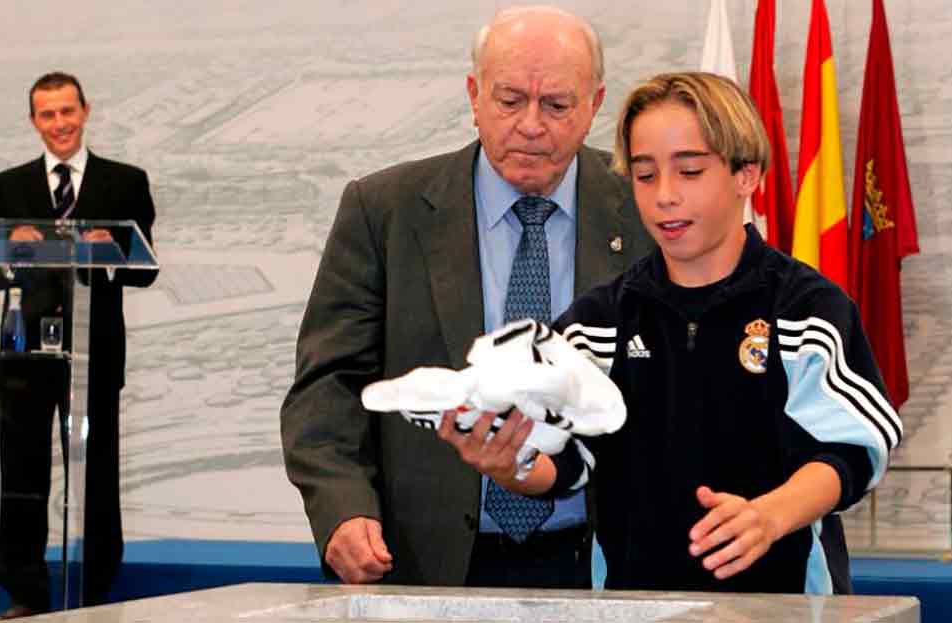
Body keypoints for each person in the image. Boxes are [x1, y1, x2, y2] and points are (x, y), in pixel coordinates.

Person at [439, 72, 901, 594]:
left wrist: (769, 516)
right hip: (633, 606)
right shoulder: (598, 322)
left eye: (690, 172)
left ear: (746, 175)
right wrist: (508, 463)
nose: (664, 196)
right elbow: (565, 463)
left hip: (786, 605)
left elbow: (853, 450)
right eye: (644, 175)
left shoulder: (806, 308)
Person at [280, 6, 652, 588]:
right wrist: (342, 508)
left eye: (556, 105)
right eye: (510, 100)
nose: (531, 124)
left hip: (604, 562)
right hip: (427, 560)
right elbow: (329, 386)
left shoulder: (646, 210)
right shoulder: (385, 210)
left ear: (594, 104)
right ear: (474, 96)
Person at [0, 71, 157, 618]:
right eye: (47, 114)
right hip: (24, 357)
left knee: (97, 475)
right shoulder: (9, 185)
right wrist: (8, 247)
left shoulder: (125, 181)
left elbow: (146, 271)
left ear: (85, 111)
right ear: (33, 120)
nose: (59, 123)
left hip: (94, 354)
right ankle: (24, 593)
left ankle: (95, 589)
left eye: (67, 111)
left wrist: (112, 250)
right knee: (23, 476)